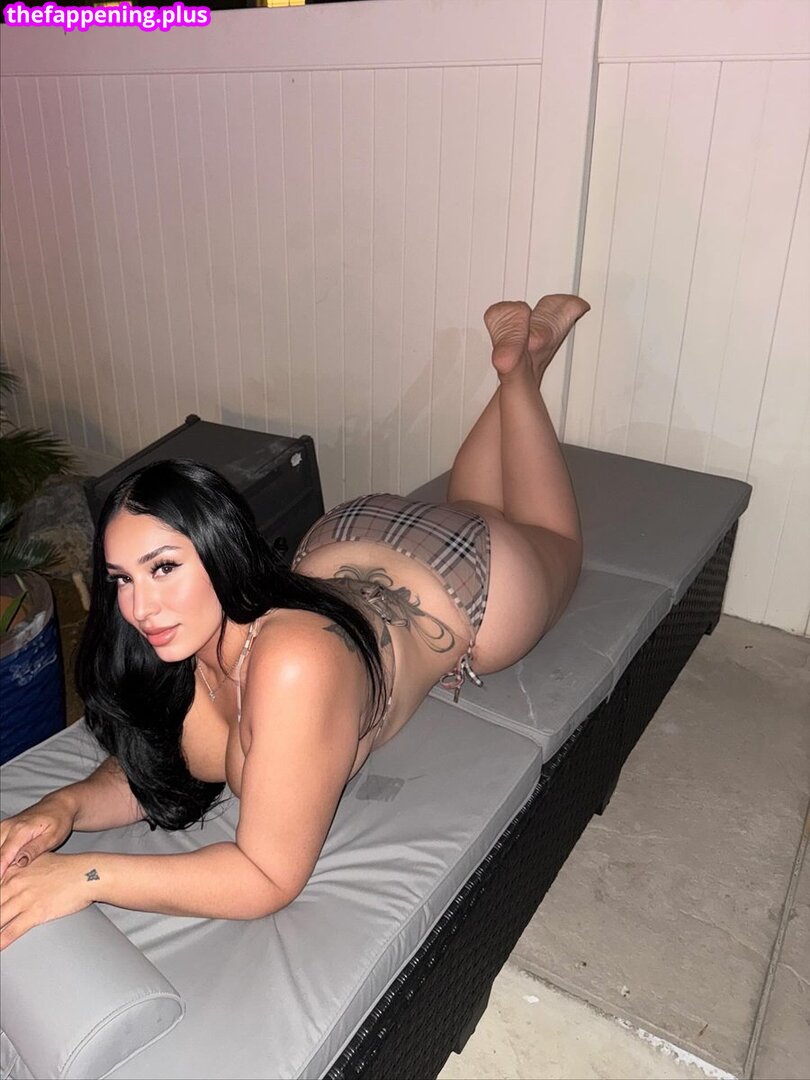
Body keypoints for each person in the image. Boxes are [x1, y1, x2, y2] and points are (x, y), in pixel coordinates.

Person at [0, 294, 589, 949]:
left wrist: (84, 876)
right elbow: (155, 767)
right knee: (475, 500)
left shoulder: (294, 664)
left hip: (456, 581)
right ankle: (517, 364)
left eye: (163, 568)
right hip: (345, 538)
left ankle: (521, 374)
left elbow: (266, 876)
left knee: (549, 536)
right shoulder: (181, 642)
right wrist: (64, 807)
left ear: (219, 552)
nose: (139, 609)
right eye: (122, 579)